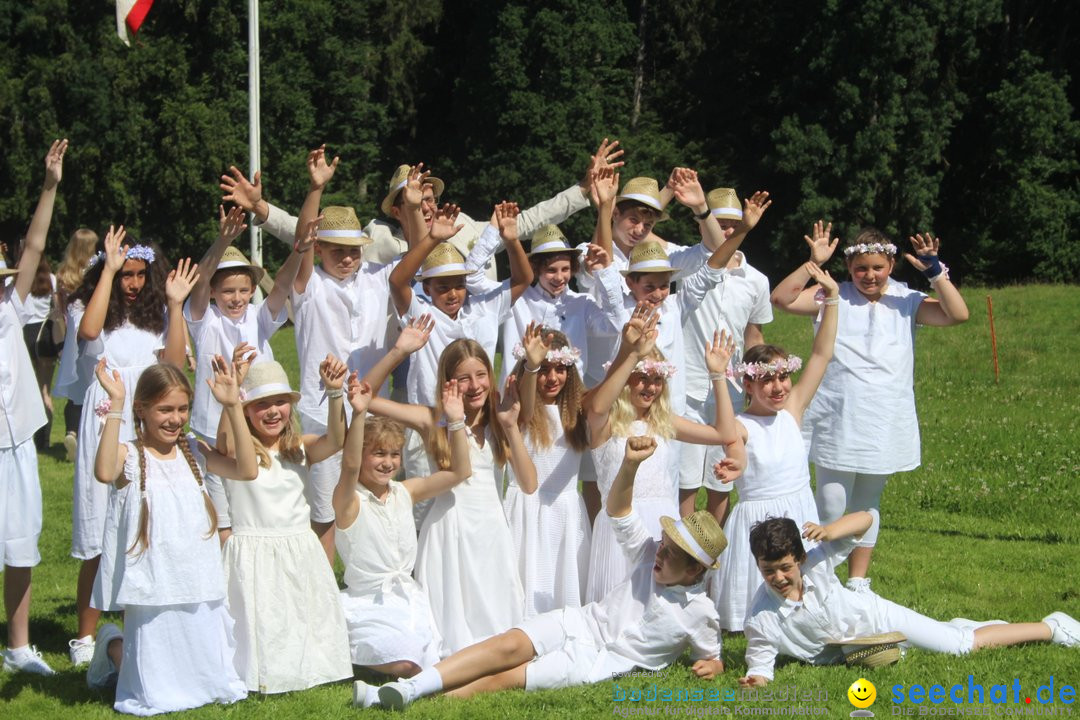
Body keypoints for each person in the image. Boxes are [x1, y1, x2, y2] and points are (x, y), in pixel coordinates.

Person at [361, 436, 731, 710]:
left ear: (695, 569)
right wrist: (630, 464)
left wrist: (713, 663)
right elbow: (618, 509)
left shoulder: (701, 613)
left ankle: (418, 702)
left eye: (670, 554)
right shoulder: (647, 554)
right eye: (664, 544)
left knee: (507, 678)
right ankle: (407, 689)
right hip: (581, 623)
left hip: (598, 662)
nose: (660, 554)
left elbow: (712, 652)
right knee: (507, 644)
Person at [770, 224, 970, 591]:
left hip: (884, 415)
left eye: (877, 267)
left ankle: (858, 582)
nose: (869, 275)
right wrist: (812, 263)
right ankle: (819, 576)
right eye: (861, 268)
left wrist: (934, 272)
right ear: (849, 268)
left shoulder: (906, 300)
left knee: (867, 504)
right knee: (831, 503)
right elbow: (781, 299)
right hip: (837, 414)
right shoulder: (834, 294)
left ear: (891, 264)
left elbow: (957, 314)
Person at [86, 359, 256, 713]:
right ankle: (114, 646)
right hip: (153, 585)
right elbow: (103, 472)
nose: (175, 418)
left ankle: (121, 649)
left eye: (182, 409)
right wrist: (115, 404)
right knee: (155, 689)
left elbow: (247, 469)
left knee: (208, 680)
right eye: (164, 410)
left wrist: (233, 405)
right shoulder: (128, 454)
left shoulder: (193, 451)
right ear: (142, 410)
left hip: (196, 578)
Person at [739, 512, 1080, 687]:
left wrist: (831, 530)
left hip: (880, 618)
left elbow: (868, 519)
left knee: (959, 647)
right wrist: (756, 680)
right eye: (769, 571)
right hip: (863, 651)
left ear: (799, 559)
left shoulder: (817, 561)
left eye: (785, 568)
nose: (779, 578)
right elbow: (760, 660)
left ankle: (1052, 627)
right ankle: (954, 628)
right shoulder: (761, 616)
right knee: (949, 636)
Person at [65, 225, 198, 666]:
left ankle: (144, 620)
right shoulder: (91, 304)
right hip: (107, 416)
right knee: (98, 527)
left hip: (146, 419)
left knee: (144, 521)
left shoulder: (155, 315)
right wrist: (109, 269)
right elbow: (89, 332)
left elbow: (175, 363)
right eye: (127, 274)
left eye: (141, 274)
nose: (134, 283)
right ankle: (85, 635)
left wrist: (176, 306)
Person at [362, 326, 538, 657]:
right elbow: (365, 395)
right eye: (463, 378)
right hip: (449, 531)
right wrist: (399, 351)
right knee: (453, 623)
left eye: (482, 375)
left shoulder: (499, 421)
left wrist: (512, 427)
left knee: (495, 615)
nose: (475, 386)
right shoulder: (433, 420)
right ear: (448, 382)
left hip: (491, 532)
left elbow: (529, 484)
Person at [334, 353, 473, 703]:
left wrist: (455, 421)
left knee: (430, 658)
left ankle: (383, 693)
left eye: (395, 455)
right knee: (408, 660)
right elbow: (349, 467)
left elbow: (459, 472)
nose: (388, 462)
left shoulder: (404, 491)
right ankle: (360, 660)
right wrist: (359, 413)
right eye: (378, 454)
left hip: (407, 597)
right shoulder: (350, 501)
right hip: (368, 601)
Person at [709, 260, 839, 631]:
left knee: (808, 596)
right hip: (759, 517)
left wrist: (832, 301)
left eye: (783, 377)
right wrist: (719, 375)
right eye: (767, 380)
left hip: (799, 509)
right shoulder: (741, 425)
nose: (779, 387)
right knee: (760, 607)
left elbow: (821, 355)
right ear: (748, 385)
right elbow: (735, 452)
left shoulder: (792, 411)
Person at [582, 307, 741, 602]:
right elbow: (597, 407)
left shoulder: (664, 423)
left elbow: (724, 434)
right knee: (617, 603)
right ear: (626, 379)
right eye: (641, 378)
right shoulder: (605, 424)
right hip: (620, 523)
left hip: (662, 521)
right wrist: (631, 355)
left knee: (657, 603)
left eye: (657, 380)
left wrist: (718, 376)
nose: (650, 387)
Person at [214, 354, 352, 693]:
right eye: (262, 405)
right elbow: (226, 442)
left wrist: (336, 394)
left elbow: (336, 440)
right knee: (262, 617)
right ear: (246, 409)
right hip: (254, 546)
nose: (273, 411)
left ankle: (308, 667)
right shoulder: (239, 450)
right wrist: (230, 399)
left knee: (298, 614)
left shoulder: (297, 449)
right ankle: (262, 671)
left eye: (280, 403)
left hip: (297, 545)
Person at [390, 178, 533, 479]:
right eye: (443, 287)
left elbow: (522, 280)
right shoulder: (420, 312)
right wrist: (431, 239)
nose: (453, 293)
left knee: (481, 504)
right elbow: (397, 282)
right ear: (426, 287)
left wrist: (511, 241)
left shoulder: (484, 309)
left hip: (481, 423)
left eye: (459, 285)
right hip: (432, 424)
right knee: (429, 514)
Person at [184, 205, 308, 542]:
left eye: (243, 290)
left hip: (252, 432)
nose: (237, 298)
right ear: (213, 292)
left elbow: (281, 286)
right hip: (211, 431)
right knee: (219, 519)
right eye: (227, 291)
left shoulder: (257, 317)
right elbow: (200, 280)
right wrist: (223, 240)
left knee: (247, 515)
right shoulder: (204, 320)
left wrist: (298, 251)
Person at [0, 139, 66, 675]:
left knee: (21, 546)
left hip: (18, 441)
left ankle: (18, 646)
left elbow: (37, 244)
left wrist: (49, 185)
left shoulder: (11, 307)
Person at [678, 187, 774, 522]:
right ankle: (681, 551)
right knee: (684, 476)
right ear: (703, 223)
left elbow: (754, 334)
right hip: (686, 382)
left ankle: (711, 552)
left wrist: (754, 385)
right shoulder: (686, 263)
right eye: (721, 223)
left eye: (735, 224)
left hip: (729, 389)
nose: (728, 231)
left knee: (721, 475)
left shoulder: (757, 280)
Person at [505, 325, 592, 617]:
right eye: (544, 369)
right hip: (529, 508)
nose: (552, 378)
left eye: (559, 369)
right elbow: (527, 410)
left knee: (562, 579)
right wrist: (531, 368)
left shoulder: (577, 412)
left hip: (565, 507)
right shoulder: (519, 408)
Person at [53, 227, 100, 462]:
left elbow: (60, 311)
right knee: (94, 386)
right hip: (92, 331)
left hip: (72, 334)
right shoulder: (95, 271)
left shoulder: (63, 275)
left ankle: (72, 430)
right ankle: (90, 436)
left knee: (75, 390)